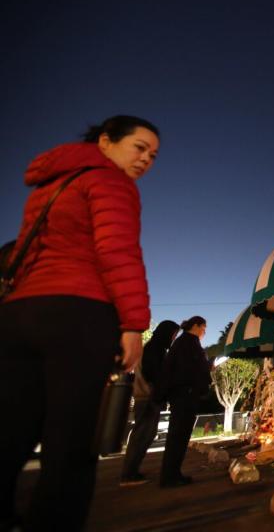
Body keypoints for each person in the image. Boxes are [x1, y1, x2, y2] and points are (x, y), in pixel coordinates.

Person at [0, 115, 159, 530]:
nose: (146, 159)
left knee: (13, 429)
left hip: (21, 314)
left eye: (153, 155)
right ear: (106, 141)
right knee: (72, 442)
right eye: (139, 147)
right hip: (78, 314)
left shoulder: (51, 183)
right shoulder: (111, 182)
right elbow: (117, 252)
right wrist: (133, 324)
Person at [119, 320, 180, 486]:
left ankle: (131, 471)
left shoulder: (153, 347)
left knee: (145, 434)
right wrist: (163, 390)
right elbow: (154, 373)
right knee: (142, 435)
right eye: (174, 334)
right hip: (148, 398)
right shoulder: (155, 349)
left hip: (146, 396)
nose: (174, 338)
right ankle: (128, 474)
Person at [155, 316, 211, 487]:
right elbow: (191, 369)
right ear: (195, 325)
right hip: (185, 394)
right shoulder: (189, 342)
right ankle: (170, 476)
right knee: (179, 436)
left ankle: (172, 474)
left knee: (177, 436)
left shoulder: (181, 343)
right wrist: (207, 369)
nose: (204, 332)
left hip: (181, 394)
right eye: (203, 328)